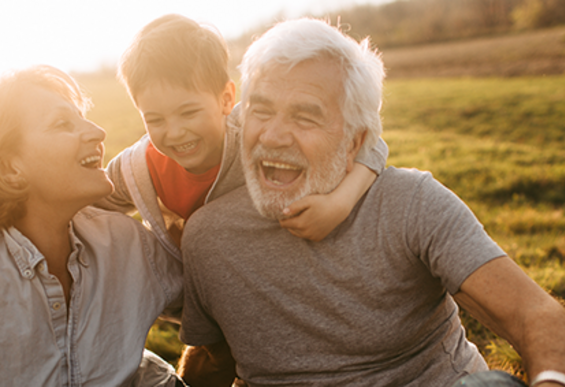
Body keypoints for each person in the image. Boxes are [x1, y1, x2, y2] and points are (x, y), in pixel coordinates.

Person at [178, 19, 565, 387]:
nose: (274, 135)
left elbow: (535, 315)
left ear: (355, 143)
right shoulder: (208, 238)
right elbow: (211, 362)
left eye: (305, 116)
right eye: (261, 110)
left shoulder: (410, 204)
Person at [96, 14, 389, 262]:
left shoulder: (253, 135)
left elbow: (371, 144)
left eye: (188, 113)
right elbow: (88, 205)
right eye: (154, 119)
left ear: (226, 99)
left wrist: (341, 202)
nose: (174, 132)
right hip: (190, 296)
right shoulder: (137, 167)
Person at [0, 65, 185, 386]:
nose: (98, 132)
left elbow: (220, 305)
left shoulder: (126, 243)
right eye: (62, 124)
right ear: (10, 168)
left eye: (83, 118)